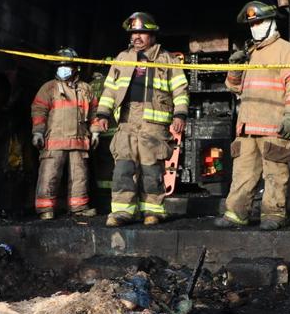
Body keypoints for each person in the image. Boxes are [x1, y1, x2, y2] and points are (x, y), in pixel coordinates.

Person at [215, 0, 290, 230]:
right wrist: (235, 69)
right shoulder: (250, 53)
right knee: (243, 174)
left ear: (271, 22)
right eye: (252, 23)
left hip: (275, 127)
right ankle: (236, 214)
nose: (255, 26)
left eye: (259, 22)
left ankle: (273, 215)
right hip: (247, 128)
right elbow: (234, 88)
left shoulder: (287, 51)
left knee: (276, 174)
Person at [92, 12, 188, 227]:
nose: (136, 37)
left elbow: (181, 90)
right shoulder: (122, 58)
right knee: (123, 168)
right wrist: (103, 114)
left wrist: (180, 114)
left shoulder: (168, 59)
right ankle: (122, 212)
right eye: (134, 33)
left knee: (151, 168)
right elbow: (110, 89)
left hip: (154, 123)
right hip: (127, 121)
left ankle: (152, 211)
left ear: (152, 35)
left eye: (141, 33)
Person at [31, 48, 98, 220]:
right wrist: (38, 133)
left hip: (79, 141)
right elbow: (39, 111)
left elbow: (95, 113)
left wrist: (96, 132)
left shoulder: (86, 89)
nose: (63, 68)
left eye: (67, 65)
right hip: (54, 141)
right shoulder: (49, 88)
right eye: (60, 65)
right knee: (49, 174)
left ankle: (79, 207)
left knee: (79, 176)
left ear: (76, 67)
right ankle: (45, 209)